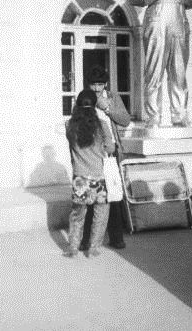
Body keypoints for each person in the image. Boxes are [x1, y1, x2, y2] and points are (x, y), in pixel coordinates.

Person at [79, 65, 131, 250]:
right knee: (90, 195)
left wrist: (107, 108)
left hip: (111, 153)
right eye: (93, 84)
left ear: (105, 84)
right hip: (92, 154)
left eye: (100, 84)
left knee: (114, 195)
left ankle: (116, 238)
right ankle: (86, 240)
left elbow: (125, 120)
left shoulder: (113, 97)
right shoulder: (84, 98)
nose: (96, 88)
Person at [64, 90, 115, 258]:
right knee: (101, 213)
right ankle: (93, 248)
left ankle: (73, 247)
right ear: (95, 106)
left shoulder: (69, 125)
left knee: (77, 214)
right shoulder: (102, 125)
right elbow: (110, 148)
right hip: (99, 177)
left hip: (80, 177)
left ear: (77, 105)